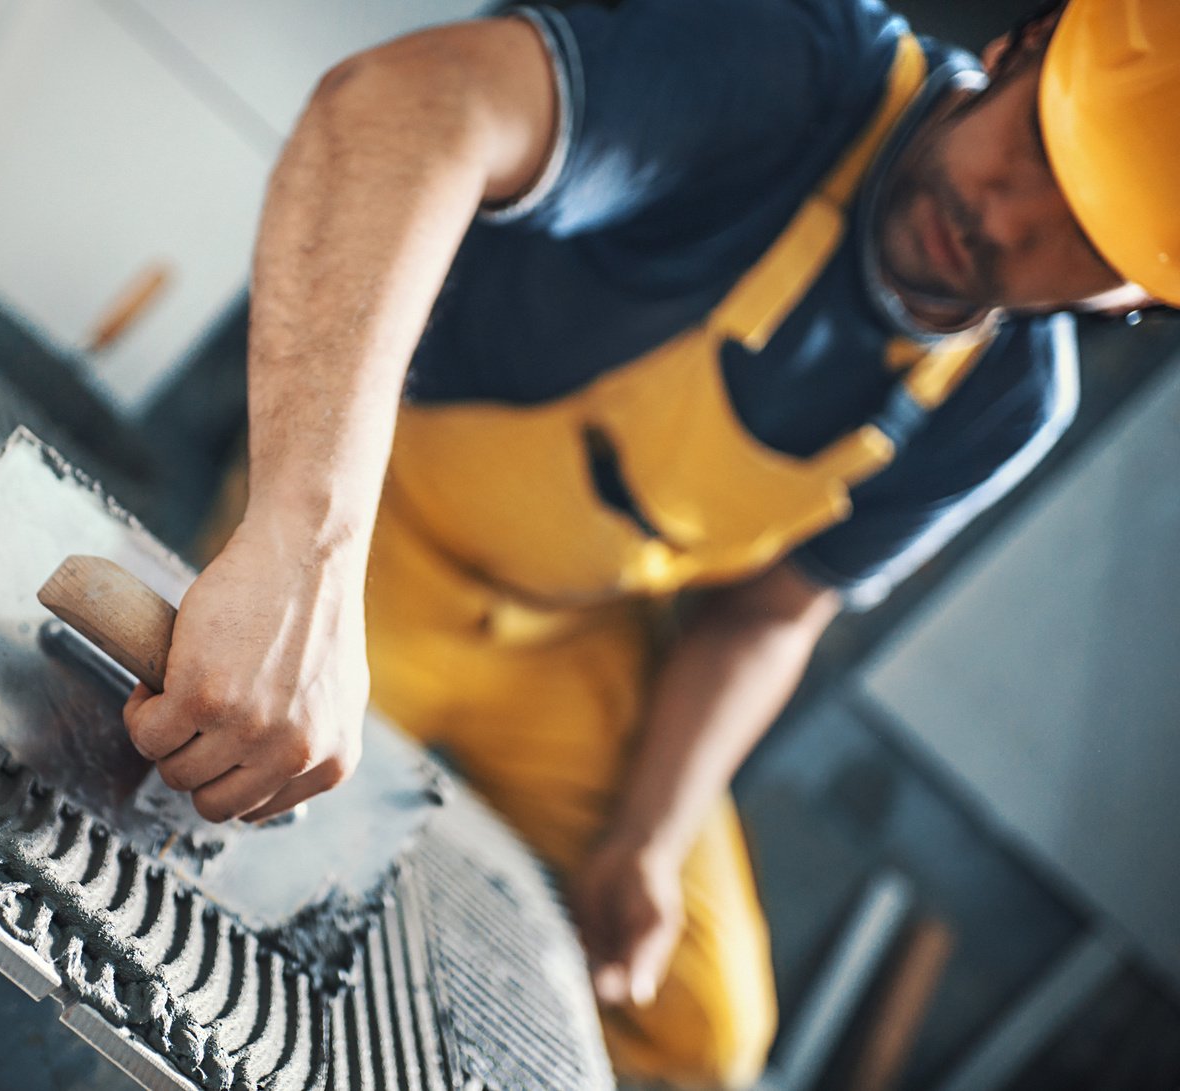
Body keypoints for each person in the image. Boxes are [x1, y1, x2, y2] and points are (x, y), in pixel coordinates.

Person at [121, 0, 1179, 1084]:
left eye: (1085, 235)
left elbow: (772, 613)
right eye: (1039, 145)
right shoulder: (790, 66)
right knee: (220, 843)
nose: (1011, 219)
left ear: (1136, 291)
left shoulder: (1007, 400)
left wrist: (650, 838)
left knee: (703, 1034)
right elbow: (404, 107)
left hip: (572, 642)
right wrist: (307, 552)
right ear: (1017, 51)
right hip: (378, 537)